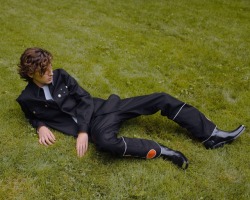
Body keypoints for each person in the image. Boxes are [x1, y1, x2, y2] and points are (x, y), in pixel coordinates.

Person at [16, 47, 245, 170]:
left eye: (50, 67)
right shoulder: (27, 98)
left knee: (160, 98)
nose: (51, 72)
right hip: (99, 125)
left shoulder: (61, 76)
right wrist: (41, 126)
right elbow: (32, 115)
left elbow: (84, 98)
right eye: (44, 71)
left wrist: (83, 131)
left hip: (107, 107)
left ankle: (211, 135)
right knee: (105, 143)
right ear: (30, 73)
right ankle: (163, 151)